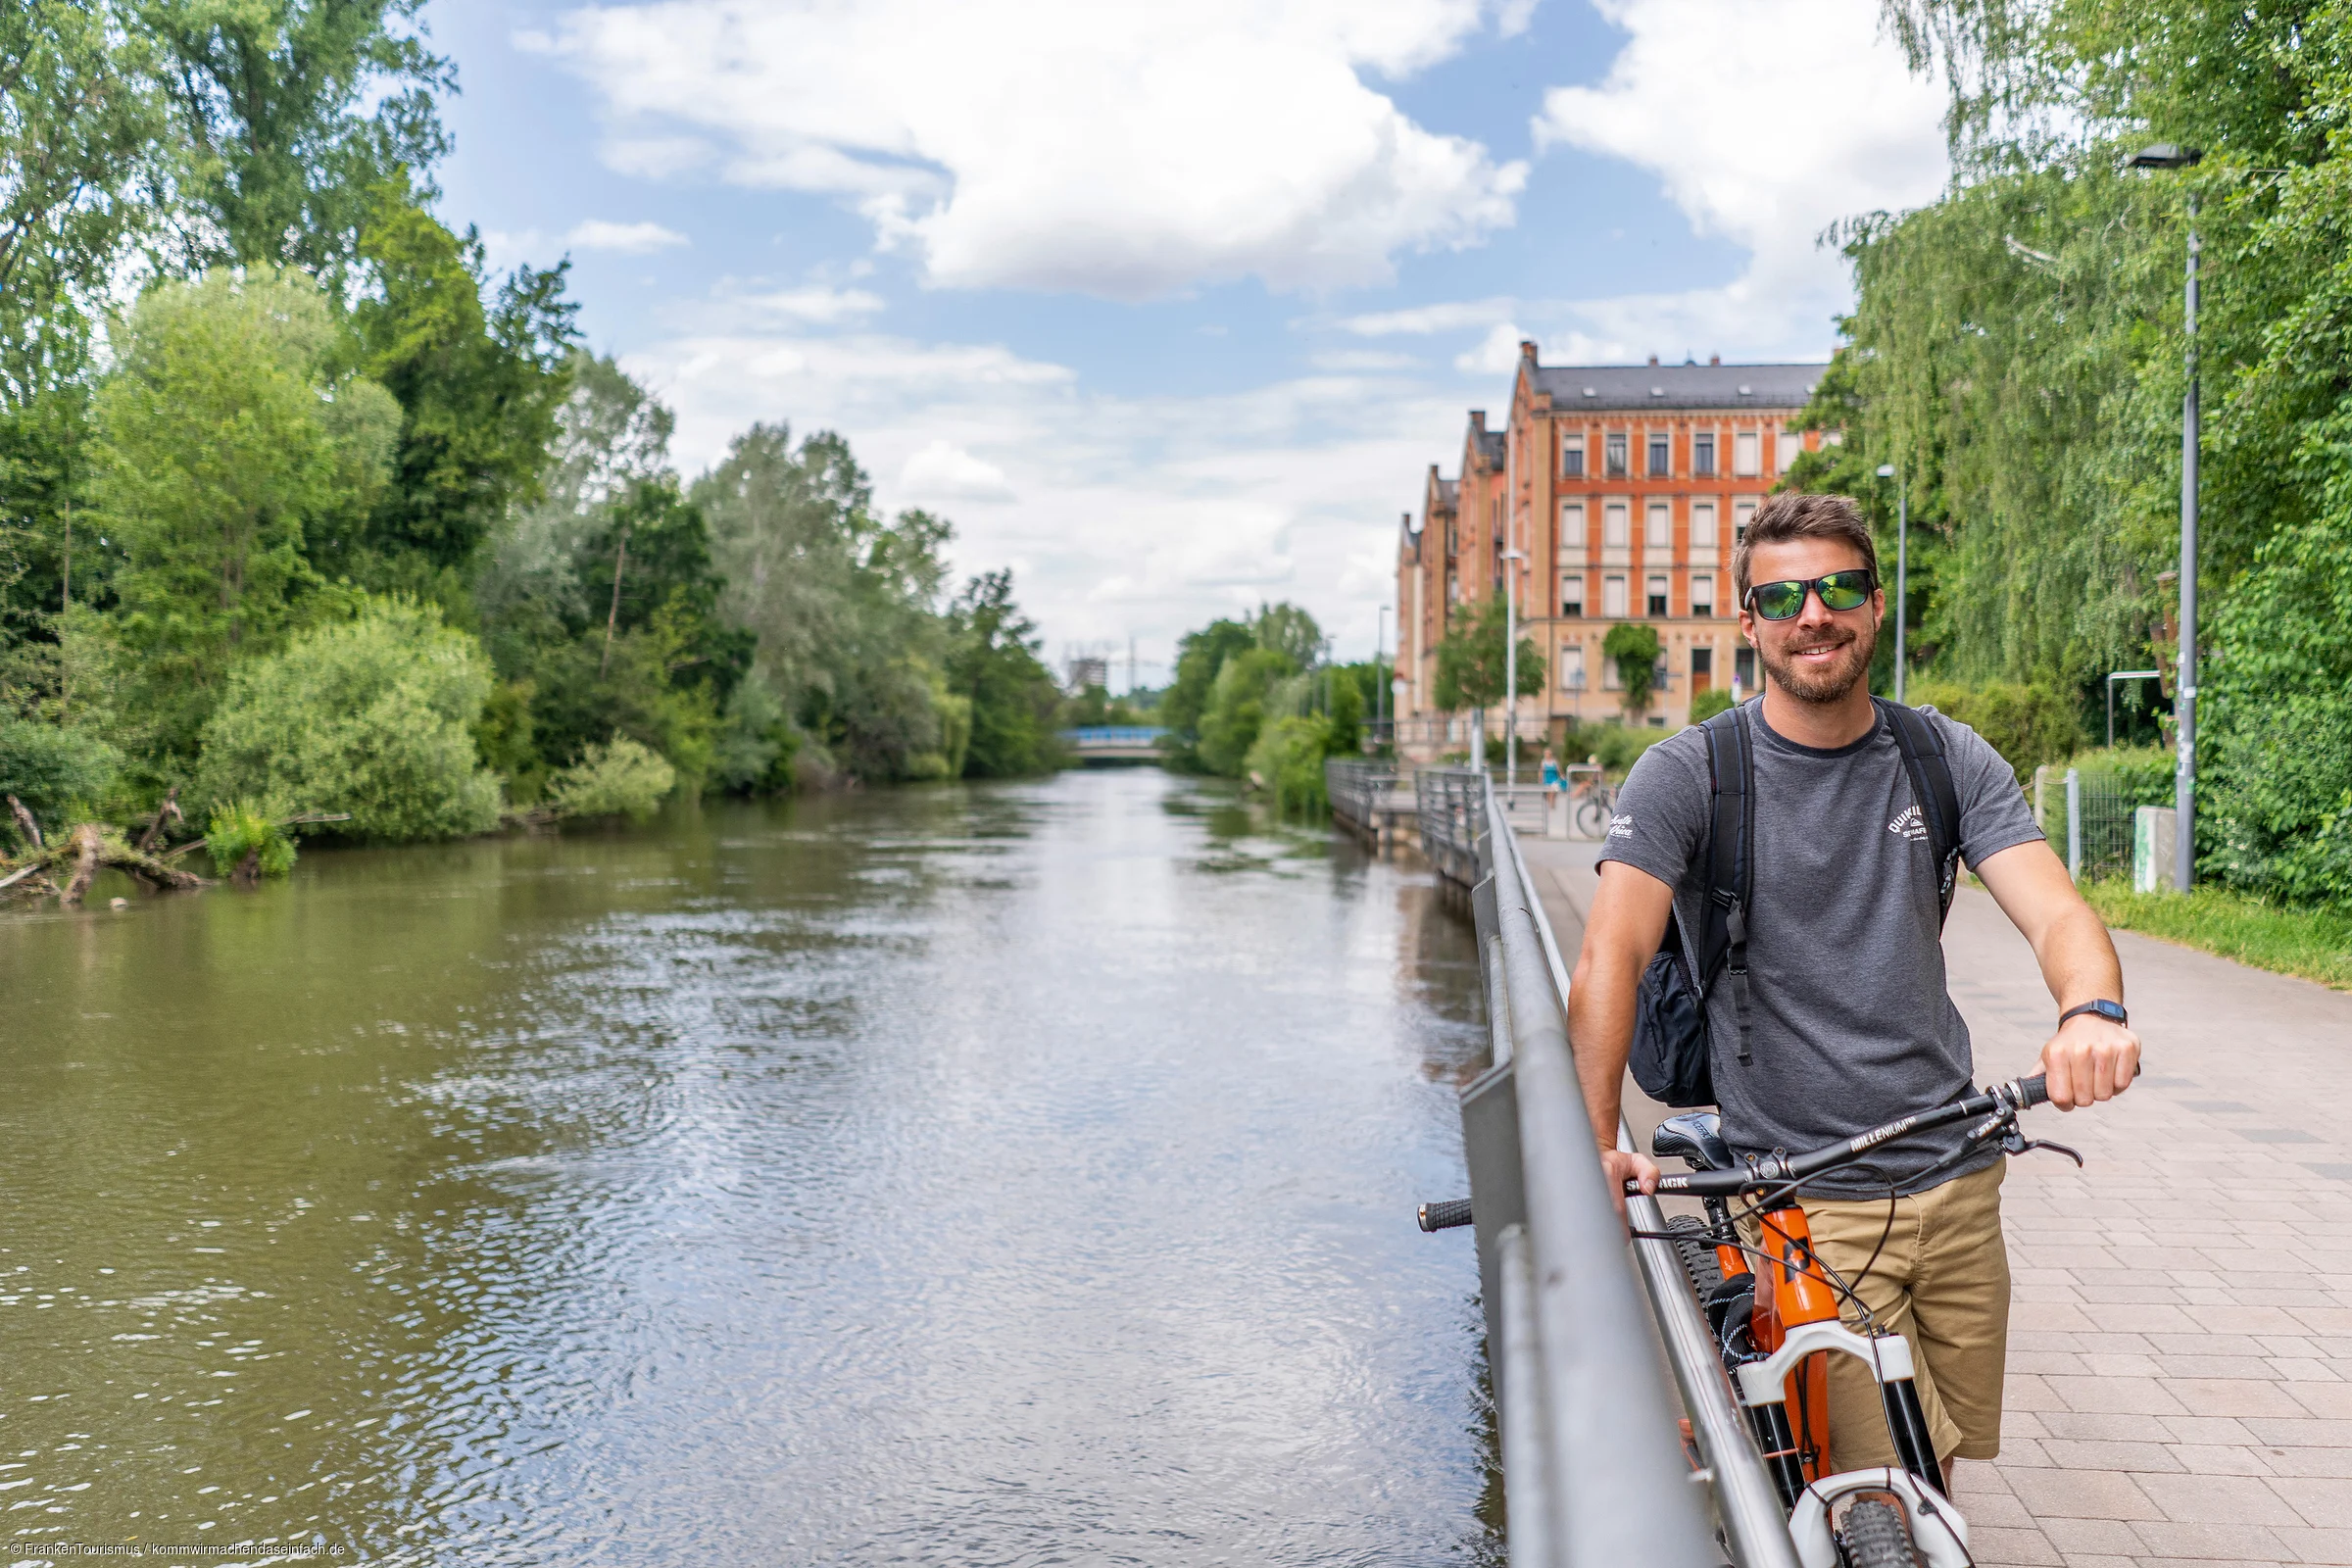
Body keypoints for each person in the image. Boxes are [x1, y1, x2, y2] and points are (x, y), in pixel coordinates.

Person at [1567, 491, 2140, 1487]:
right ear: (1747, 621)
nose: (1812, 615)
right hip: (1804, 1198)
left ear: (1876, 605)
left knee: (1939, 1474)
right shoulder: (1691, 774)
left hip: (1962, 1178)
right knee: (1873, 1489)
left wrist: (2090, 1008)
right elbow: (1607, 957)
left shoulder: (1943, 756)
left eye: (1837, 588)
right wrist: (1596, 1143)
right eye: (1781, 595)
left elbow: (2058, 916)